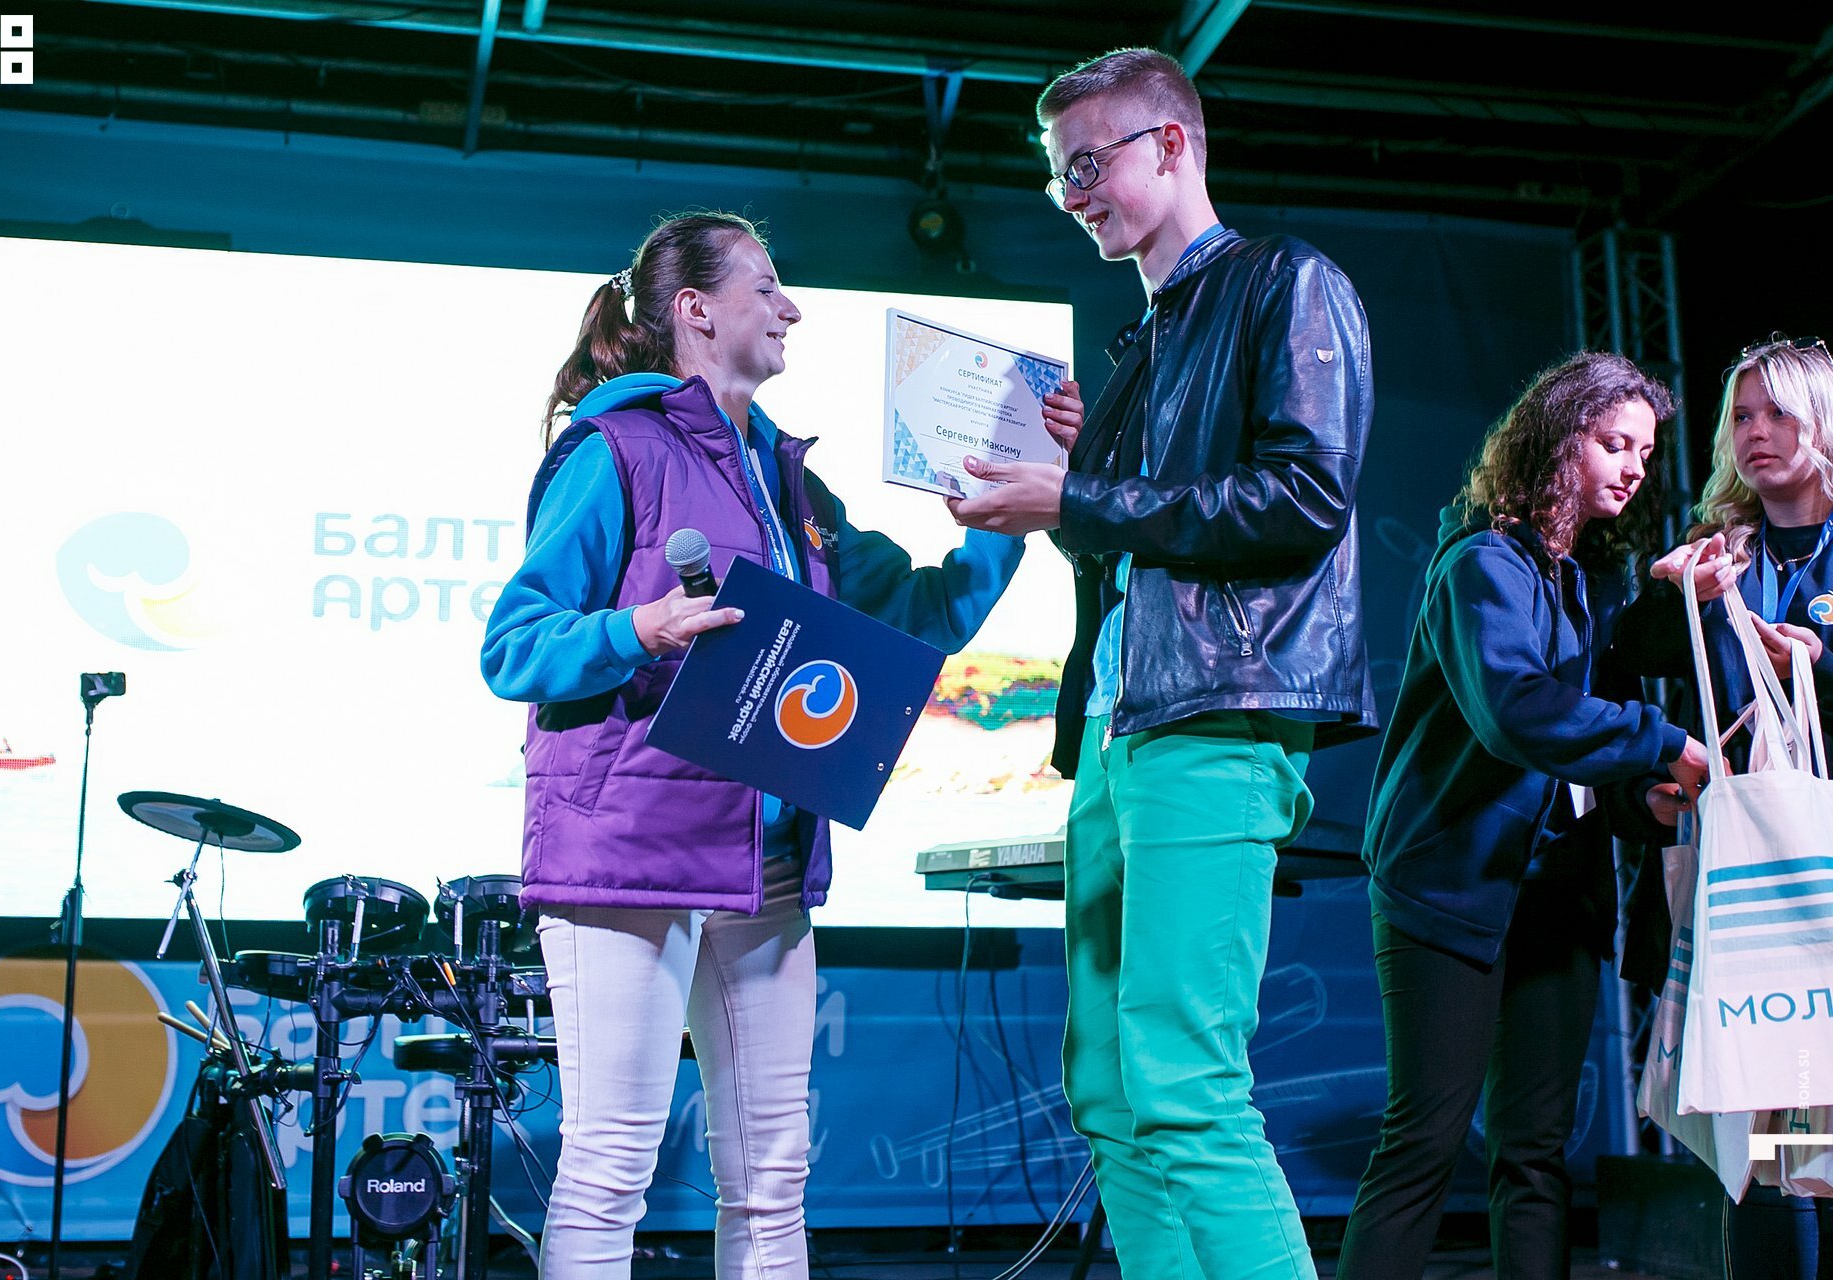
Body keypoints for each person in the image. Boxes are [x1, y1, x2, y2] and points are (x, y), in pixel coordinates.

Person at [480, 211, 1042, 1280]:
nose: (792, 308)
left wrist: (1003, 523)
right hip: (633, 856)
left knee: (775, 1178)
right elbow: (514, 645)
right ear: (695, 310)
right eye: (767, 285)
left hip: (767, 863)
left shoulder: (791, 483)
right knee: (609, 1169)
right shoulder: (616, 449)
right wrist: (636, 629)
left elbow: (920, 614)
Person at [947, 46, 1375, 1280]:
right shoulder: (1144, 337)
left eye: (1088, 164)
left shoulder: (1286, 282)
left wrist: (1084, 493)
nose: (1073, 195)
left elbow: (1304, 497)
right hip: (1121, 724)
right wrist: (1079, 477)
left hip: (1219, 716)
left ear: (1172, 144)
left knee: (1184, 1083)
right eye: (1058, 178)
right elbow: (1128, 539)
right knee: (1111, 1089)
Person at [1341, 352, 1709, 1280]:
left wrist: (1645, 797)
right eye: (1615, 443)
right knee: (1423, 1144)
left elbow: (1587, 758)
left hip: (1557, 895)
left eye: (1645, 452)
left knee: (1536, 1155)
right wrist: (1664, 741)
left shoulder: (1589, 580)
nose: (1634, 467)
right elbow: (1518, 713)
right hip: (1449, 888)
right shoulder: (1480, 564)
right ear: (1559, 438)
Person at [1615, 335, 1833, 1278]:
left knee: (1825, 1131)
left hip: (1825, 884)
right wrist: (1674, 595)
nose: (1757, 432)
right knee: (1769, 1146)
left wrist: (1824, 667)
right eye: (1742, 416)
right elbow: (1623, 664)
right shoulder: (1720, 556)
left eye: (1779, 412)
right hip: (1752, 896)